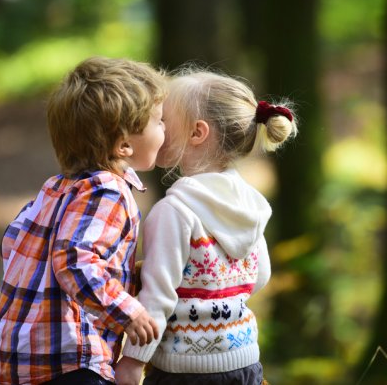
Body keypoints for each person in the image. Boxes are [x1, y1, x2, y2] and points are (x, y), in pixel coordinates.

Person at [0, 56, 168, 385]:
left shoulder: (55, 189)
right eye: (158, 121)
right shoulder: (108, 192)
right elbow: (73, 260)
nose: (165, 128)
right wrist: (125, 310)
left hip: (15, 356)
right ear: (124, 145)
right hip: (71, 360)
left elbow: (12, 243)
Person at [115, 68, 298, 385]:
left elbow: (158, 297)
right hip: (244, 361)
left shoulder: (174, 212)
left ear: (197, 133)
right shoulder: (250, 204)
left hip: (185, 370)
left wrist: (132, 361)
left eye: (162, 120)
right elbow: (261, 276)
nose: (155, 127)